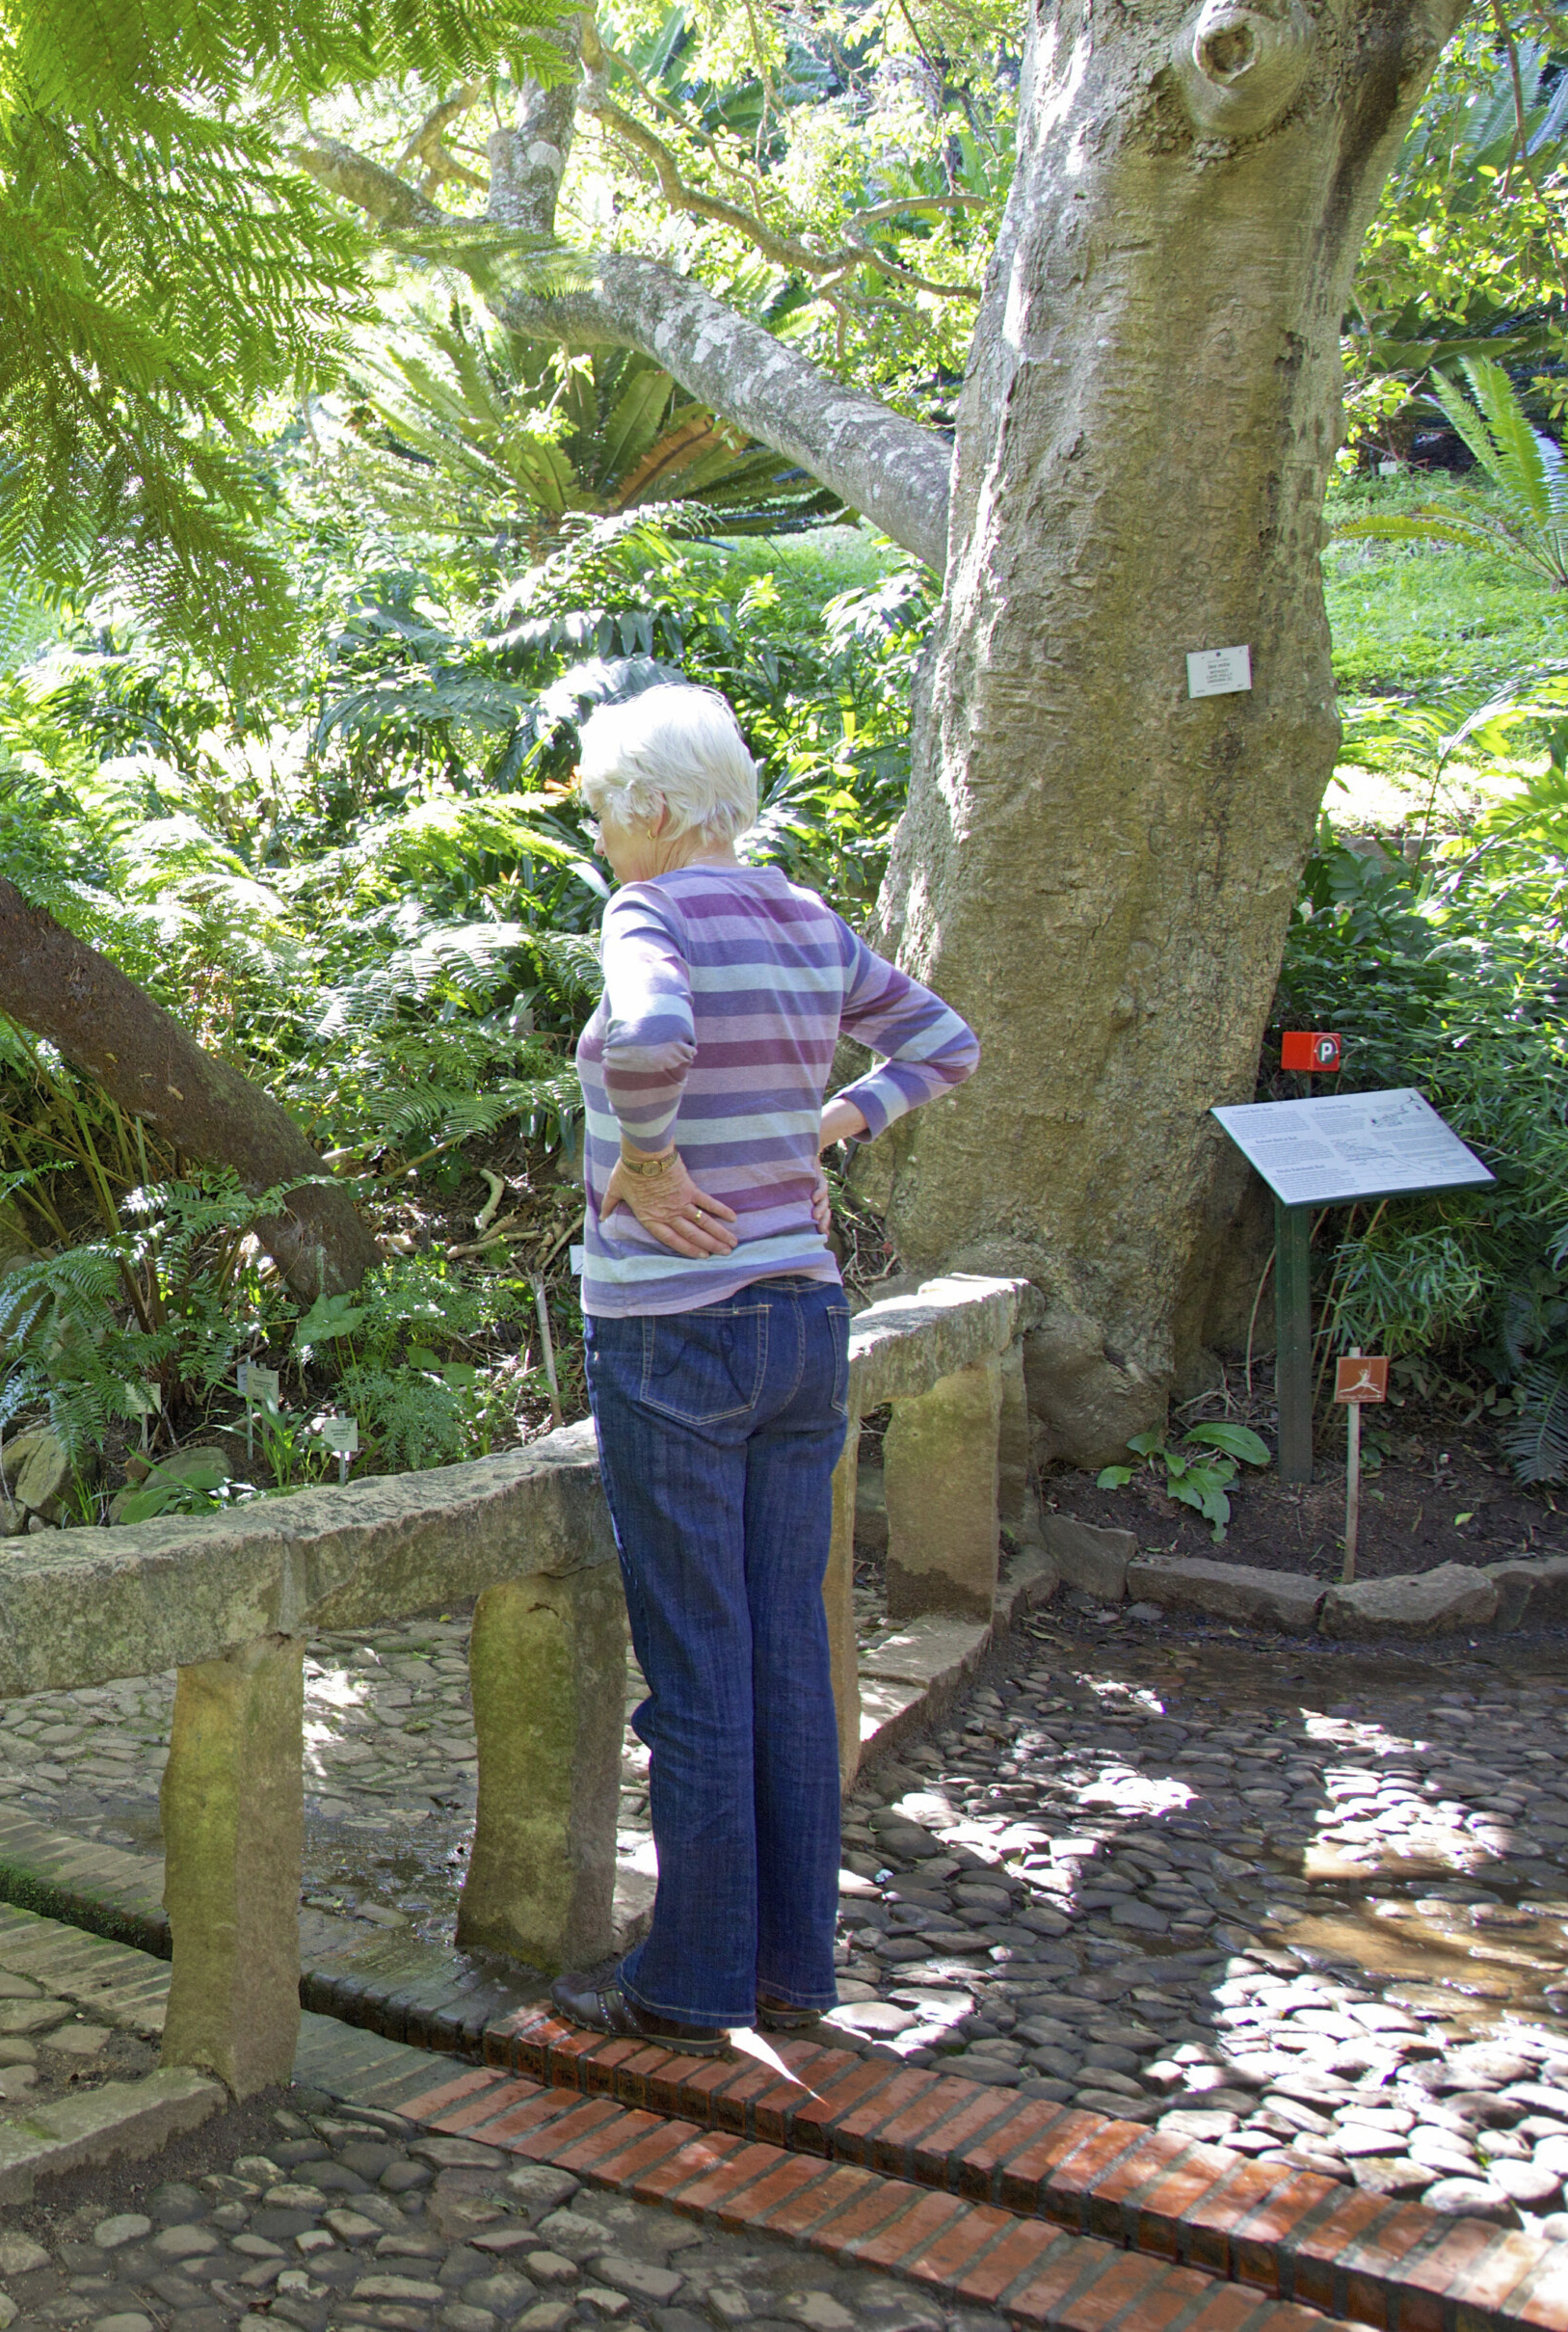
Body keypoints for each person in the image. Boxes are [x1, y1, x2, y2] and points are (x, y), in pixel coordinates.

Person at [549, 684, 978, 2055]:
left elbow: (650, 1036)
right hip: (804, 1322)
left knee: (699, 1661)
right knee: (790, 1645)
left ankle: (690, 1978)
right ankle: (793, 1960)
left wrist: (654, 1158)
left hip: (676, 1329)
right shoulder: (808, 920)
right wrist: (837, 1120)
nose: (606, 834)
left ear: (660, 808)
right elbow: (945, 1045)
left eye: (610, 807)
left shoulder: (652, 912)